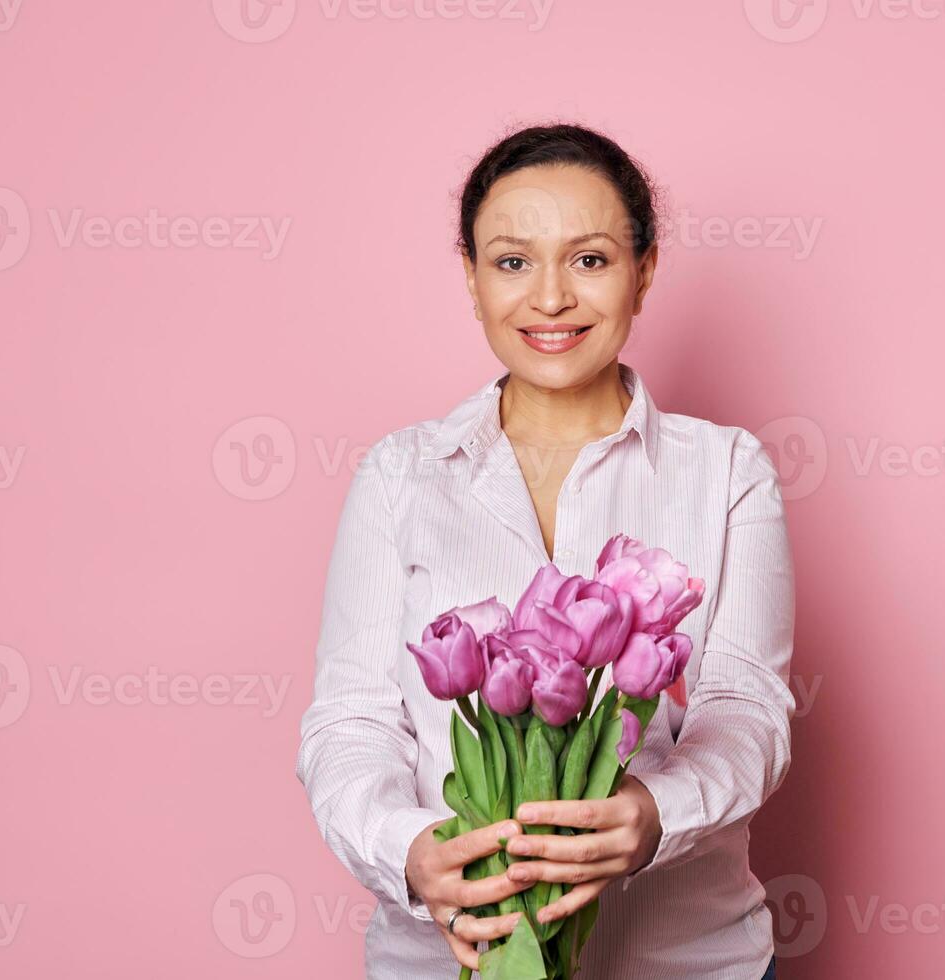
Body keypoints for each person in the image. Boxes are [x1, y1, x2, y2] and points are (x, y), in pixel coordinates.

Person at [296, 123, 794, 979]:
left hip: (687, 962)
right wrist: (412, 851)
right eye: (513, 261)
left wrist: (654, 813)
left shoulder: (727, 471)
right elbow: (351, 722)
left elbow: (746, 706)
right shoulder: (399, 476)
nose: (551, 298)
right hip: (442, 963)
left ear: (644, 270)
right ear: (471, 278)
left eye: (591, 259)